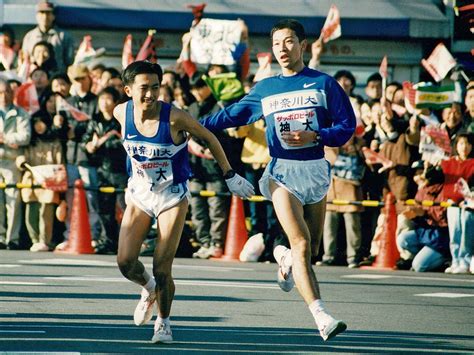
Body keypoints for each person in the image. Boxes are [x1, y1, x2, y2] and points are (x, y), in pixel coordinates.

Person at [200, 19, 354, 341]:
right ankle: (322, 316)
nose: (282, 49)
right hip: (281, 172)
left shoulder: (324, 85)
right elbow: (232, 116)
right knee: (300, 243)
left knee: (308, 251)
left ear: (303, 45)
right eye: (276, 44)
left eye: (288, 42)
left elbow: (346, 127)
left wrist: (316, 135)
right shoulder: (266, 88)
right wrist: (189, 122)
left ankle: (281, 257)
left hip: (315, 170)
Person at [113, 61, 253, 344]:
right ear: (128, 90)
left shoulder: (175, 117)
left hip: (172, 194)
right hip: (141, 193)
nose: (151, 94)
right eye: (144, 88)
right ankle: (149, 289)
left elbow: (209, 138)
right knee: (126, 262)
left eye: (156, 87)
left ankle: (163, 322)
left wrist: (229, 174)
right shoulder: (120, 113)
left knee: (162, 266)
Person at [0, 79, 31, 250]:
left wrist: (5, 138)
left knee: (13, 201)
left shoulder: (21, 113)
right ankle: (0, 236)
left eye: (6, 92)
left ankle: (13, 237)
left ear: (12, 94)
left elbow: (25, 137)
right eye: (0, 92)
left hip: (12, 161)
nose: (3, 96)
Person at [21, 0, 74, 72]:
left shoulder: (64, 37)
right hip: (35, 77)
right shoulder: (29, 37)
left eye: (48, 13)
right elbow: (25, 60)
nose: (45, 16)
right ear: (37, 16)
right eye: (42, 13)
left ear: (53, 16)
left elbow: (69, 61)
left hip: (56, 77)